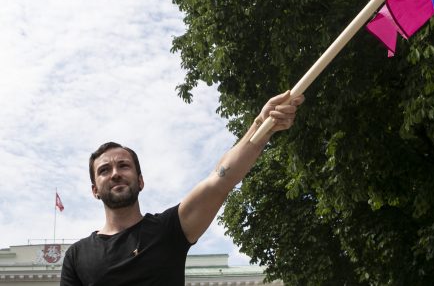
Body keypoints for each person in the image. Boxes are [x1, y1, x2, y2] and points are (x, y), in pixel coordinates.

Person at [60, 90, 304, 285]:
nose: (115, 173)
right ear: (94, 190)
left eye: (123, 166)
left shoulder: (169, 230)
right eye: (104, 170)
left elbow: (220, 180)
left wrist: (262, 126)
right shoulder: (77, 256)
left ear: (141, 180)